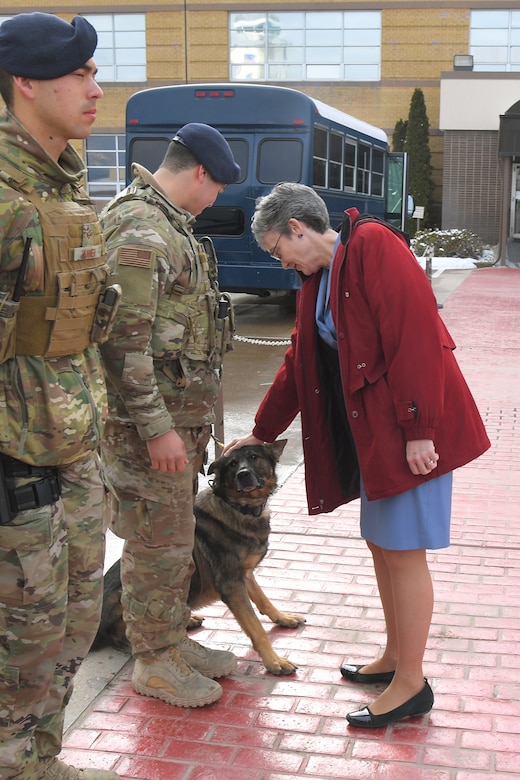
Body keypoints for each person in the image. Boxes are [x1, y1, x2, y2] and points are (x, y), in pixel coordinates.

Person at [224, 182, 490, 728]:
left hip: (414, 433)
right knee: (382, 544)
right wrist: (261, 431)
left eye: (280, 250)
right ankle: (396, 657)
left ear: (298, 228)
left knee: (404, 549)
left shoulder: (374, 247)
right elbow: (298, 360)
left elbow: (415, 336)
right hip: (380, 437)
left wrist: (422, 430)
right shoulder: (319, 278)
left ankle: (412, 685)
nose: (282, 262)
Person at [0, 12, 121, 780]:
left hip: (74, 454)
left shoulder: (64, 186)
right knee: (23, 641)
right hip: (16, 465)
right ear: (26, 85)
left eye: (93, 72)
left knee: (73, 626)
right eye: (78, 74)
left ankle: (42, 760)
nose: (94, 86)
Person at [99, 123, 240, 708]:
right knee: (155, 546)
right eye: (218, 187)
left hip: (176, 428)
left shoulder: (171, 226)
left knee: (172, 543)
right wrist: (157, 428)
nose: (217, 200)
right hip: (146, 434)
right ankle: (154, 661)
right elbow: (121, 345)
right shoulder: (140, 228)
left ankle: (167, 642)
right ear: (200, 173)